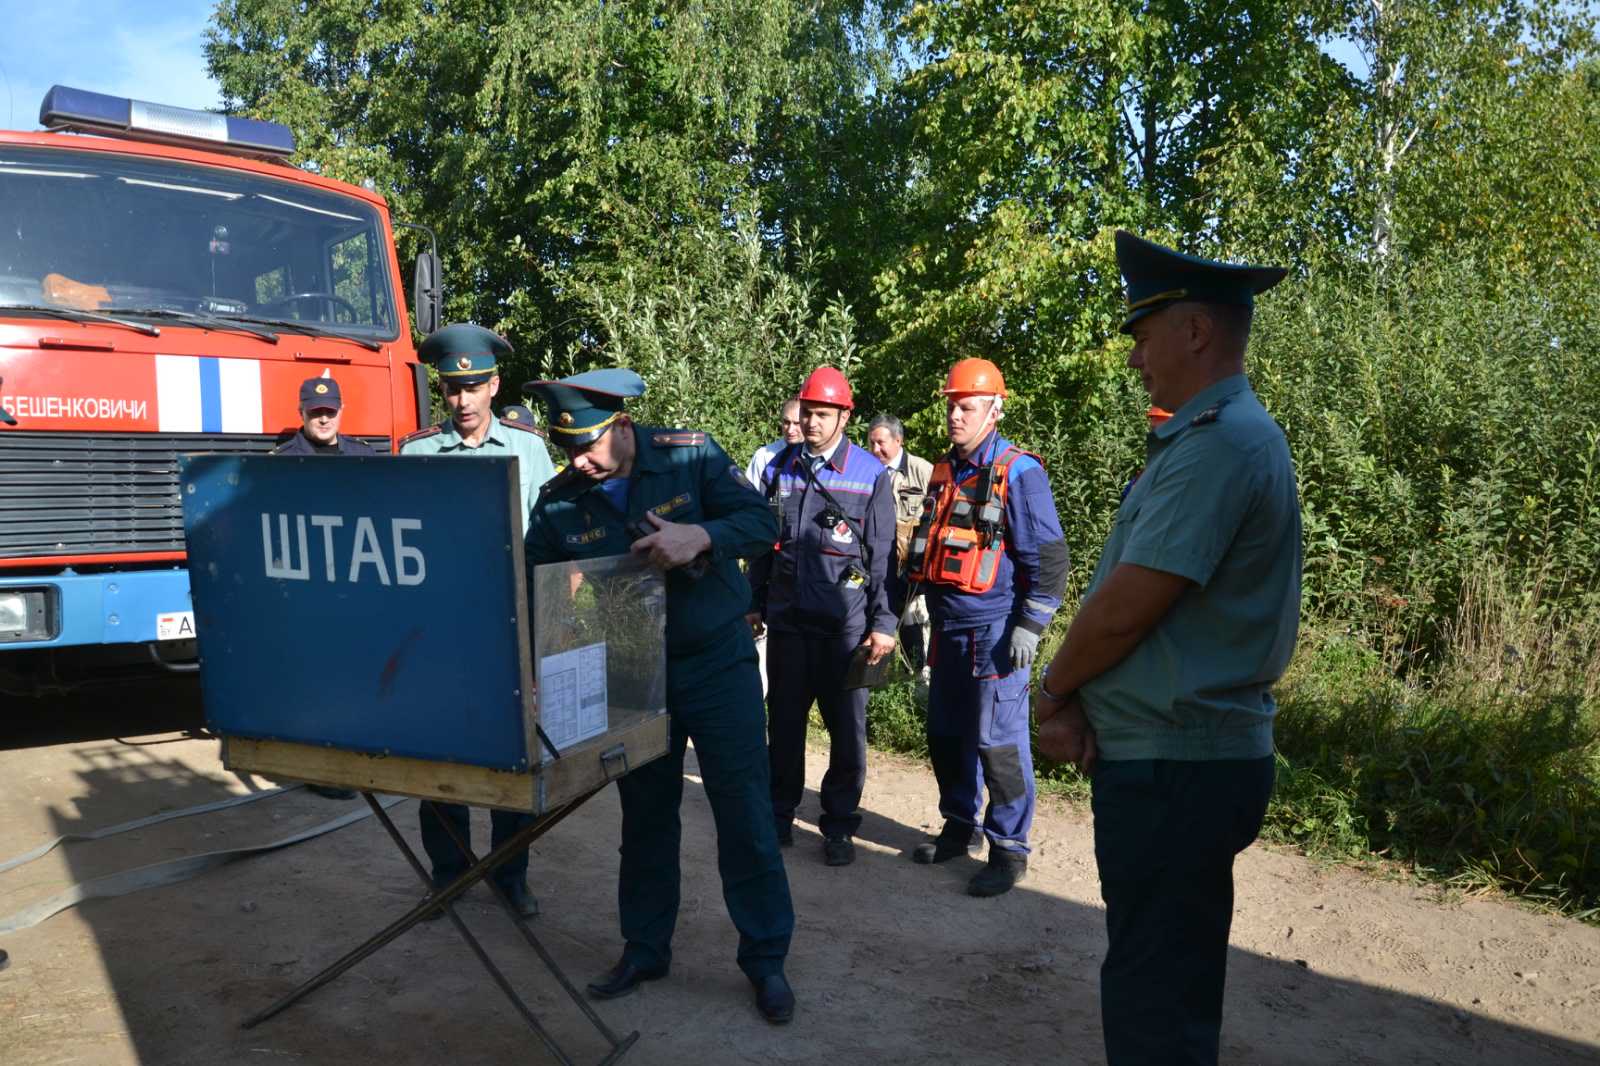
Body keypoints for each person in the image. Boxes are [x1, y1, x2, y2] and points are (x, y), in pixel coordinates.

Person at [1034, 231, 1300, 1065]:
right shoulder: (1214, 438)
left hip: (1178, 767)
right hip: (1179, 758)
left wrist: (1052, 692)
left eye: (1144, 336)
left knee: (1156, 1001)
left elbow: (1124, 612)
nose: (1137, 359)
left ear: (1195, 332)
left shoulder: (1220, 443)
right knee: (1164, 984)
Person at [523, 368, 797, 1024]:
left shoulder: (689, 456)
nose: (579, 461)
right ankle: (645, 946)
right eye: (567, 449)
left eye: (588, 445)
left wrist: (699, 535)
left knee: (744, 813)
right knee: (645, 818)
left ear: (622, 426)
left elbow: (759, 522)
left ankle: (765, 959)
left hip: (716, 664)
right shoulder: (562, 499)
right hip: (633, 673)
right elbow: (529, 585)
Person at [399, 323, 558, 919]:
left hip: (508, 632)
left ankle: (509, 873)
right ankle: (448, 873)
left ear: (494, 385)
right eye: (451, 389)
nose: (461, 401)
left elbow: (548, 544)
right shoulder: (417, 453)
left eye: (472, 387)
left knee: (510, 761)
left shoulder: (529, 450)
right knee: (440, 760)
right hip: (438, 632)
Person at [904, 358, 1068, 897]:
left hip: (996, 633)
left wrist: (1032, 624)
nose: (955, 414)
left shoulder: (1020, 472)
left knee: (998, 742)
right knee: (946, 733)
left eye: (966, 406)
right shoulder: (945, 471)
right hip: (947, 629)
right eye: (951, 405)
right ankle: (959, 826)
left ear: (993, 411)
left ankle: (1008, 849)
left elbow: (1048, 556)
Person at [748, 368, 896, 867]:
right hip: (788, 622)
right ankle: (777, 815)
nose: (812, 422)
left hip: (846, 628)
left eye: (823, 414)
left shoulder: (869, 474)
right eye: (807, 412)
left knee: (847, 734)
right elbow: (764, 544)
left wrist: (885, 623)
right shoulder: (780, 467)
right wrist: (753, 602)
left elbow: (881, 558)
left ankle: (838, 826)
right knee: (784, 726)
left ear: (844, 416)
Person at [866, 412, 933, 672]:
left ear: (899, 441)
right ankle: (876, 686)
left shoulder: (922, 471)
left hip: (913, 572)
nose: (875, 449)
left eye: (881, 442)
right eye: (871, 442)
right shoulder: (865, 472)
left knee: (914, 635)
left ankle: (917, 691)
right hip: (875, 569)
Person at [272, 373, 377, 455]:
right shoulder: (282, 460)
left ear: (341, 411)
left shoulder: (363, 454)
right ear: (301, 413)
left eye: (331, 411)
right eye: (316, 412)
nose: (324, 420)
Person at [745, 397, 804, 487]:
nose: (790, 430)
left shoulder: (817, 457)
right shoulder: (763, 456)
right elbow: (749, 496)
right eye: (786, 422)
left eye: (797, 423)